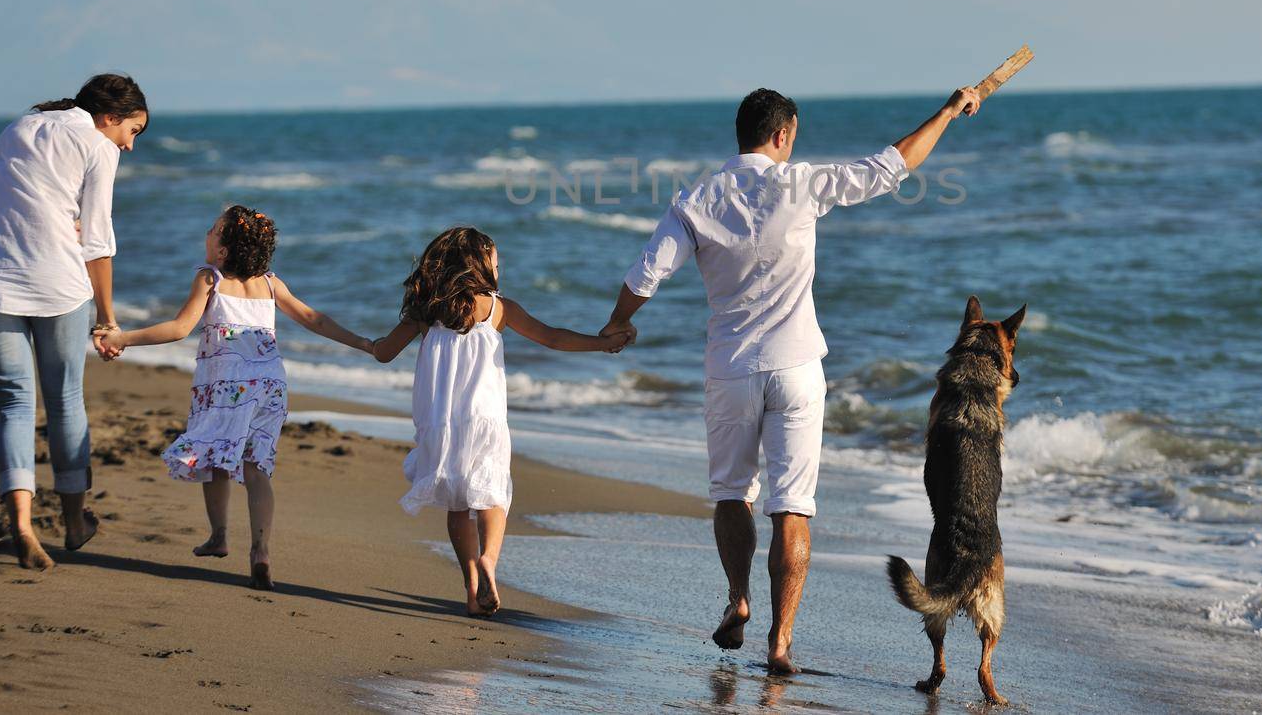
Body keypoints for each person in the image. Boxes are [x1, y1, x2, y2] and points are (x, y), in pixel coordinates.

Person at [601, 85, 982, 673]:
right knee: (792, 508)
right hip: (797, 368)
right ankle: (780, 644)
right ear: (783, 134)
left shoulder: (697, 198)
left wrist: (618, 323)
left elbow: (648, 271)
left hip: (729, 369)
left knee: (731, 494)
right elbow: (894, 163)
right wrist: (950, 112)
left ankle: (738, 599)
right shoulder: (801, 184)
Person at [94, 205, 370, 590]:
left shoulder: (211, 279)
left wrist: (122, 338)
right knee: (256, 466)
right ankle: (260, 550)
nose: (206, 233)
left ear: (222, 251)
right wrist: (364, 343)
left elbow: (179, 328)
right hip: (270, 385)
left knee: (213, 456)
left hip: (225, 385)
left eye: (212, 229)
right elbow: (313, 319)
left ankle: (220, 535)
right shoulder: (272, 283)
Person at [368, 226, 630, 616]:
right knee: (492, 493)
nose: (499, 264)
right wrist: (602, 342)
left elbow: (385, 352)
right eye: (495, 258)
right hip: (485, 417)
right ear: (479, 263)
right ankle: (489, 559)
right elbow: (553, 338)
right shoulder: (497, 307)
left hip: (440, 421)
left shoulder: (426, 310)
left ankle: (473, 590)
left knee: (458, 504)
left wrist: (357, 342)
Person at [0, 73, 149, 569]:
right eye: (134, 131)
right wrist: (106, 317)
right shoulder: (98, 146)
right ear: (110, 117)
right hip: (55, 284)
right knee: (63, 399)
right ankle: (75, 523)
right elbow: (97, 242)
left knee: (13, 403)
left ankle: (21, 524)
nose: (130, 145)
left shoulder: (20, 126)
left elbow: (21, 203)